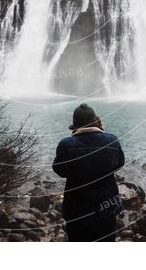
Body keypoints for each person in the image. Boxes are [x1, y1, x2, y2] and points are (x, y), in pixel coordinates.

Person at [52, 103, 125, 241]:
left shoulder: (66, 145)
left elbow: (59, 170)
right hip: (106, 210)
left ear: (74, 124)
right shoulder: (112, 141)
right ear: (95, 120)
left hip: (77, 213)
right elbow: (119, 164)